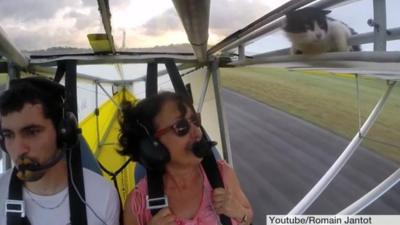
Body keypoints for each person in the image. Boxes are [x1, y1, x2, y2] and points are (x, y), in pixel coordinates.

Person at [119, 91, 253, 225]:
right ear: (152, 146)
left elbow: (248, 217)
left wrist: (239, 212)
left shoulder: (223, 175)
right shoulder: (136, 205)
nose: (197, 132)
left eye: (195, 120)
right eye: (181, 126)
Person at [0, 77, 120, 225]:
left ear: (62, 133)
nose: (18, 149)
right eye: (8, 135)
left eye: (32, 132)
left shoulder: (103, 195)